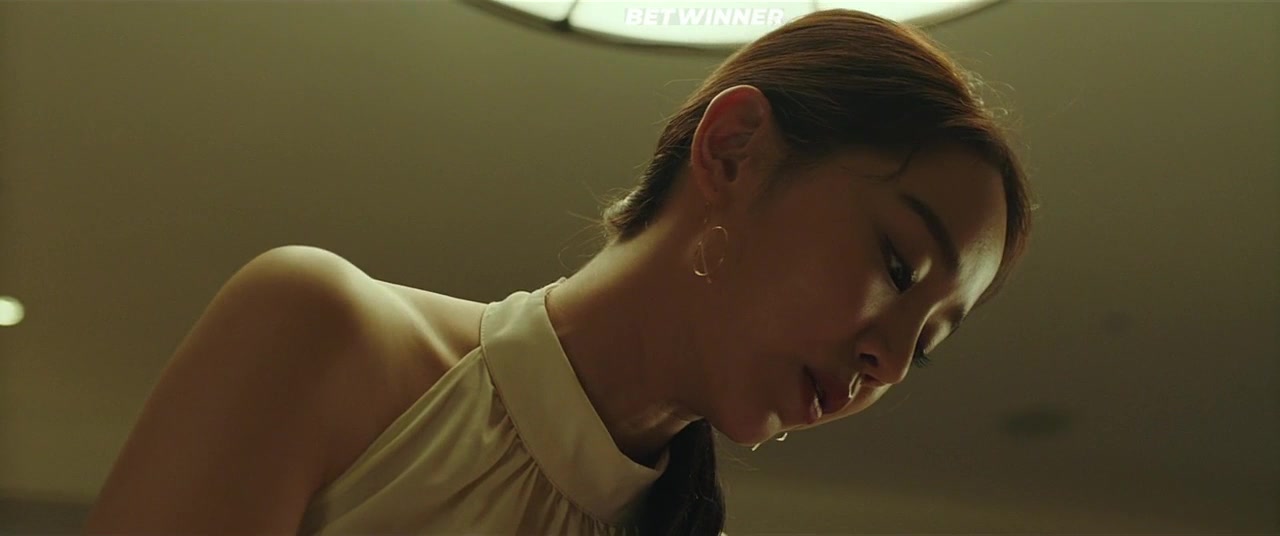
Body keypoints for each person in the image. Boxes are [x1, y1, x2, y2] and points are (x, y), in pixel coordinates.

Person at [83, 8, 1035, 536]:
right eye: (897, 265)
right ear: (735, 150)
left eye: (926, 344)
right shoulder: (320, 332)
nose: (889, 362)